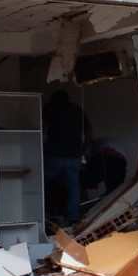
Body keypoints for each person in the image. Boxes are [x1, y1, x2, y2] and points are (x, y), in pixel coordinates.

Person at [43, 89, 90, 225]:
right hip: (74, 155)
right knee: (73, 187)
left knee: (41, 184)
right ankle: (73, 217)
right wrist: (85, 149)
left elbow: (42, 128)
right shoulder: (76, 110)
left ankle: (43, 212)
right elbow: (87, 129)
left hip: (54, 155)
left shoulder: (50, 109)